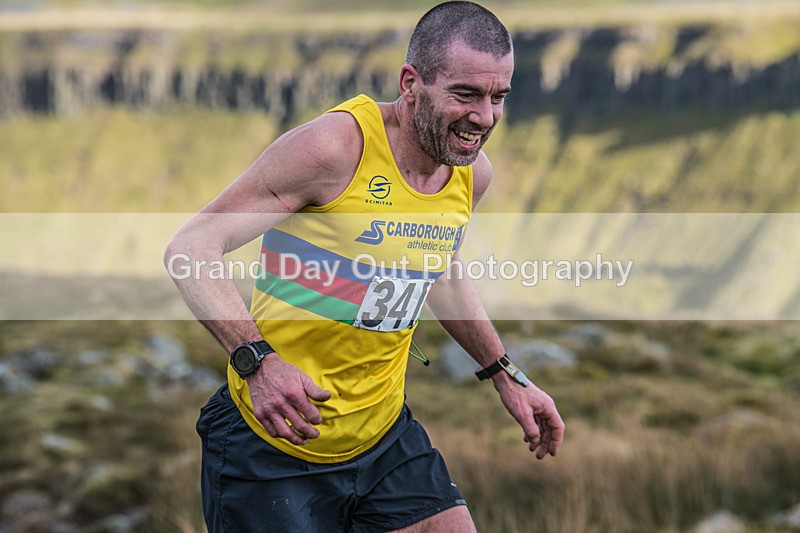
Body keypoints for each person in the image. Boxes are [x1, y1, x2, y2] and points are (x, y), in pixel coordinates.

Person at [165, 2, 565, 531]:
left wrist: (506, 374)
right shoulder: (334, 149)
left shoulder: (471, 173)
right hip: (273, 446)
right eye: (465, 94)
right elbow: (191, 248)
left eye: (498, 97)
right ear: (410, 83)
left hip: (383, 441)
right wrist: (256, 361)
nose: (485, 117)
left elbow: (440, 272)